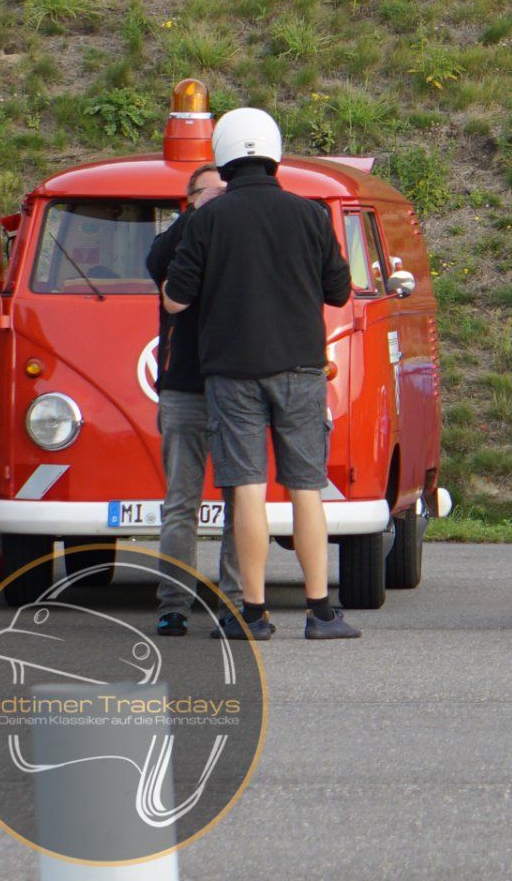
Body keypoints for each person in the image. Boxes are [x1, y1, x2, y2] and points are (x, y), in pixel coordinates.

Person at [163, 108, 357, 640]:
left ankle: (253, 615)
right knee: (305, 490)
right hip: (300, 369)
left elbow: (176, 300)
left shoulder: (208, 219)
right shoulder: (310, 215)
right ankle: (320, 613)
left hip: (231, 374)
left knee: (247, 489)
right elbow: (338, 291)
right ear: (274, 154)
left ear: (223, 159)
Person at [146, 163, 240, 637]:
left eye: (229, 190)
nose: (224, 198)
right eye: (214, 191)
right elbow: (153, 264)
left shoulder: (237, 237)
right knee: (180, 502)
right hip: (184, 388)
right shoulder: (179, 237)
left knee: (240, 499)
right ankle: (173, 605)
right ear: (191, 197)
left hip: (235, 387)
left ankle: (237, 602)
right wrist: (194, 216)